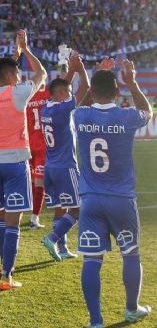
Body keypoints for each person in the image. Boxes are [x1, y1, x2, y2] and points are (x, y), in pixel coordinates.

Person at [73, 58, 153, 327]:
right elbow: (148, 111)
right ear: (117, 92)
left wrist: (95, 76)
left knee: (92, 259)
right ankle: (131, 309)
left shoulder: (81, 115)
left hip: (91, 200)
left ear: (93, 90)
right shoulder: (126, 115)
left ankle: (95, 321)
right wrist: (132, 82)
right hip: (121, 199)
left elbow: (80, 105)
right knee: (130, 253)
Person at [0, 29, 47, 290]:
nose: (20, 76)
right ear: (10, 76)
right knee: (13, 221)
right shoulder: (17, 93)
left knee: (0, 216)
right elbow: (41, 74)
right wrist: (27, 50)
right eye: (17, 73)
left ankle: (3, 265)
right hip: (16, 164)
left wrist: (14, 57)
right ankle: (7, 275)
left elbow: (5, 74)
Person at [39, 51, 89, 261]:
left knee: (61, 208)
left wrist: (69, 72)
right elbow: (85, 88)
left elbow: (60, 88)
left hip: (50, 167)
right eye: (67, 93)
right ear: (60, 94)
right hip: (66, 167)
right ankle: (53, 237)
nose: (70, 95)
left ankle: (62, 248)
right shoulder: (63, 109)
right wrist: (80, 68)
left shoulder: (46, 107)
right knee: (78, 209)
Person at [25, 81, 49, 229]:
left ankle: (16, 215)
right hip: (43, 146)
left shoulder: (27, 98)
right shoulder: (48, 96)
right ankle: (34, 220)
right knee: (40, 184)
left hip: (28, 146)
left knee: (32, 182)